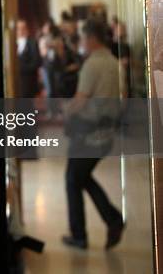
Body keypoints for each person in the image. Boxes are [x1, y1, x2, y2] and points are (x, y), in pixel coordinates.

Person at [62, 19, 125, 251]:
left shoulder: (92, 65)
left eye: (83, 37)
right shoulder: (115, 63)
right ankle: (111, 221)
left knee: (73, 180)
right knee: (81, 178)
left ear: (91, 38)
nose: (82, 42)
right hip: (105, 133)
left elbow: (80, 101)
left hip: (88, 135)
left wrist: (64, 111)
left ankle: (82, 235)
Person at [16, 19, 42, 99]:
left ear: (26, 29)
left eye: (23, 28)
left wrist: (20, 68)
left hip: (28, 82)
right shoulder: (12, 42)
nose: (21, 30)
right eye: (18, 28)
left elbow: (37, 62)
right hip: (15, 82)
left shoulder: (32, 42)